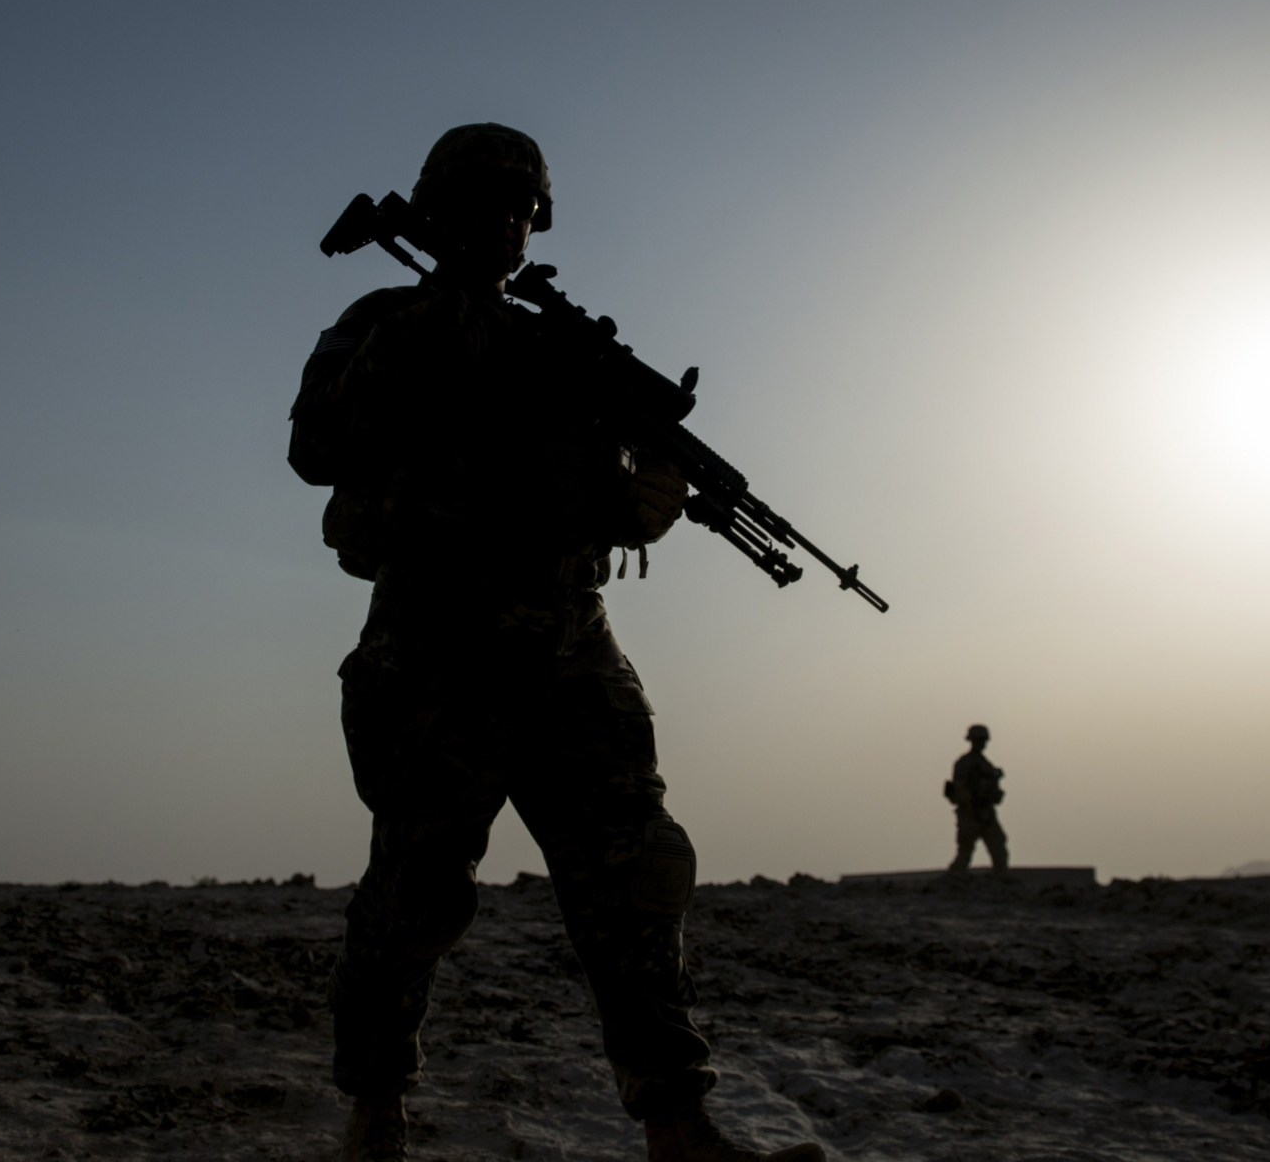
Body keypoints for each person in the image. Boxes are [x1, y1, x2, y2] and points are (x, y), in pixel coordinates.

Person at [289, 123, 822, 1162]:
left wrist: (648, 501)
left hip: (574, 656)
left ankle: (678, 1123)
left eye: (517, 206)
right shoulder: (382, 320)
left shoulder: (566, 353)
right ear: (432, 212)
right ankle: (374, 1116)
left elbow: (605, 503)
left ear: (538, 222)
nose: (501, 221)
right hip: (435, 649)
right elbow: (316, 448)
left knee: (637, 881)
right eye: (478, 201)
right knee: (414, 893)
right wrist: (440, 325)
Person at [944, 724, 1009, 874]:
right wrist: (970, 807)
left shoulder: (985, 764)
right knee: (965, 852)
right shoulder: (964, 763)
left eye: (983, 740)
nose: (982, 744)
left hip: (985, 813)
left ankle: (1001, 880)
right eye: (979, 740)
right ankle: (955, 880)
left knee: (999, 848)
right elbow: (960, 790)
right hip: (970, 813)